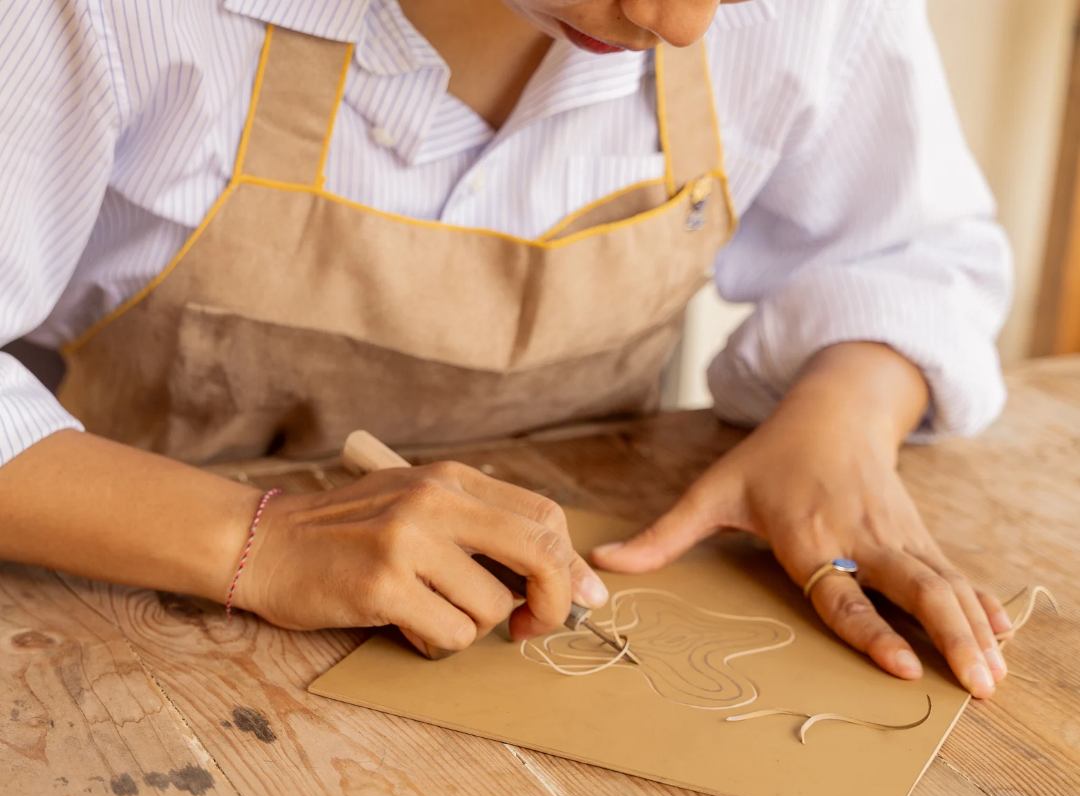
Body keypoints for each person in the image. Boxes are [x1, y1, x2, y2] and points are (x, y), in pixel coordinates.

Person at [0, 0, 1014, 697]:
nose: (680, 24)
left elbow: (914, 252)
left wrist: (843, 418)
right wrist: (255, 542)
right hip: (116, 620)